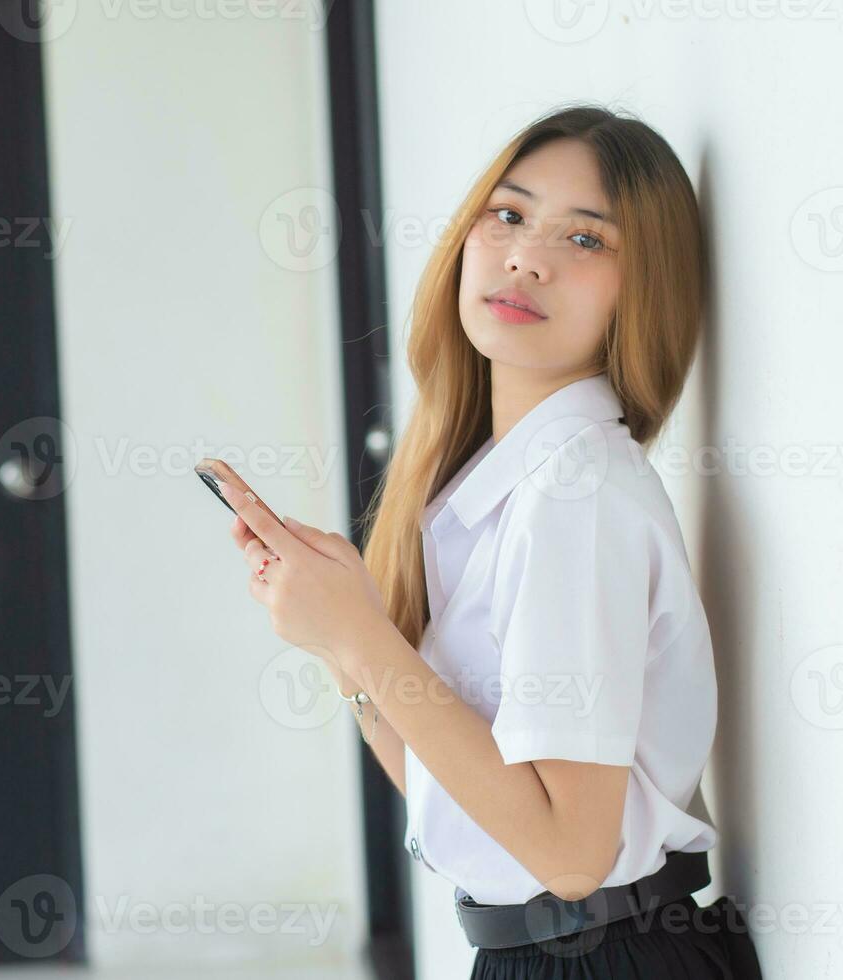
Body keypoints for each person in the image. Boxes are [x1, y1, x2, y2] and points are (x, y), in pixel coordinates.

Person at [222, 102, 762, 978]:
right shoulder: (498, 491)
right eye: (508, 215)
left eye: (586, 240)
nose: (525, 256)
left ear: (645, 287)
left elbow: (570, 854)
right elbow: (467, 806)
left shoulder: (574, 497)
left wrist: (362, 633)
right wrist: (341, 645)